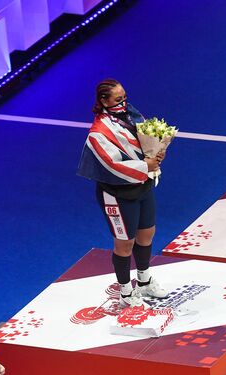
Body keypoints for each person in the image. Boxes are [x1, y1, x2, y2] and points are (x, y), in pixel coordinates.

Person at [78, 78, 168, 307]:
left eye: (125, 97)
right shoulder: (98, 133)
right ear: (103, 101)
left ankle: (145, 280)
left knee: (147, 233)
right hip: (117, 195)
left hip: (142, 185)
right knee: (124, 244)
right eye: (118, 100)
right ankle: (126, 292)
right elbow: (111, 165)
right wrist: (145, 166)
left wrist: (157, 154)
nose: (124, 103)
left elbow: (146, 144)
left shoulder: (132, 116)